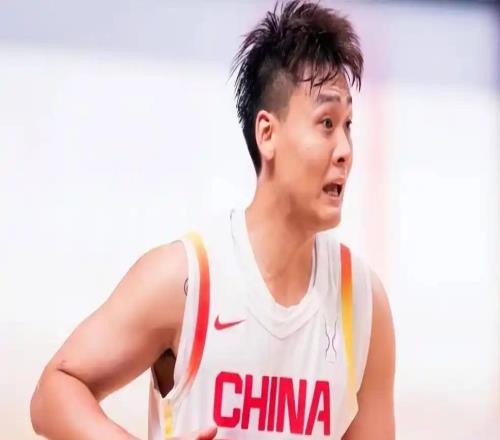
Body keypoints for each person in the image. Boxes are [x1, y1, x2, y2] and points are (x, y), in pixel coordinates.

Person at [30, 1, 395, 439]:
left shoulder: (364, 302)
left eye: (348, 125)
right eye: (327, 123)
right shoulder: (186, 280)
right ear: (267, 134)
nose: (345, 151)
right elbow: (56, 390)